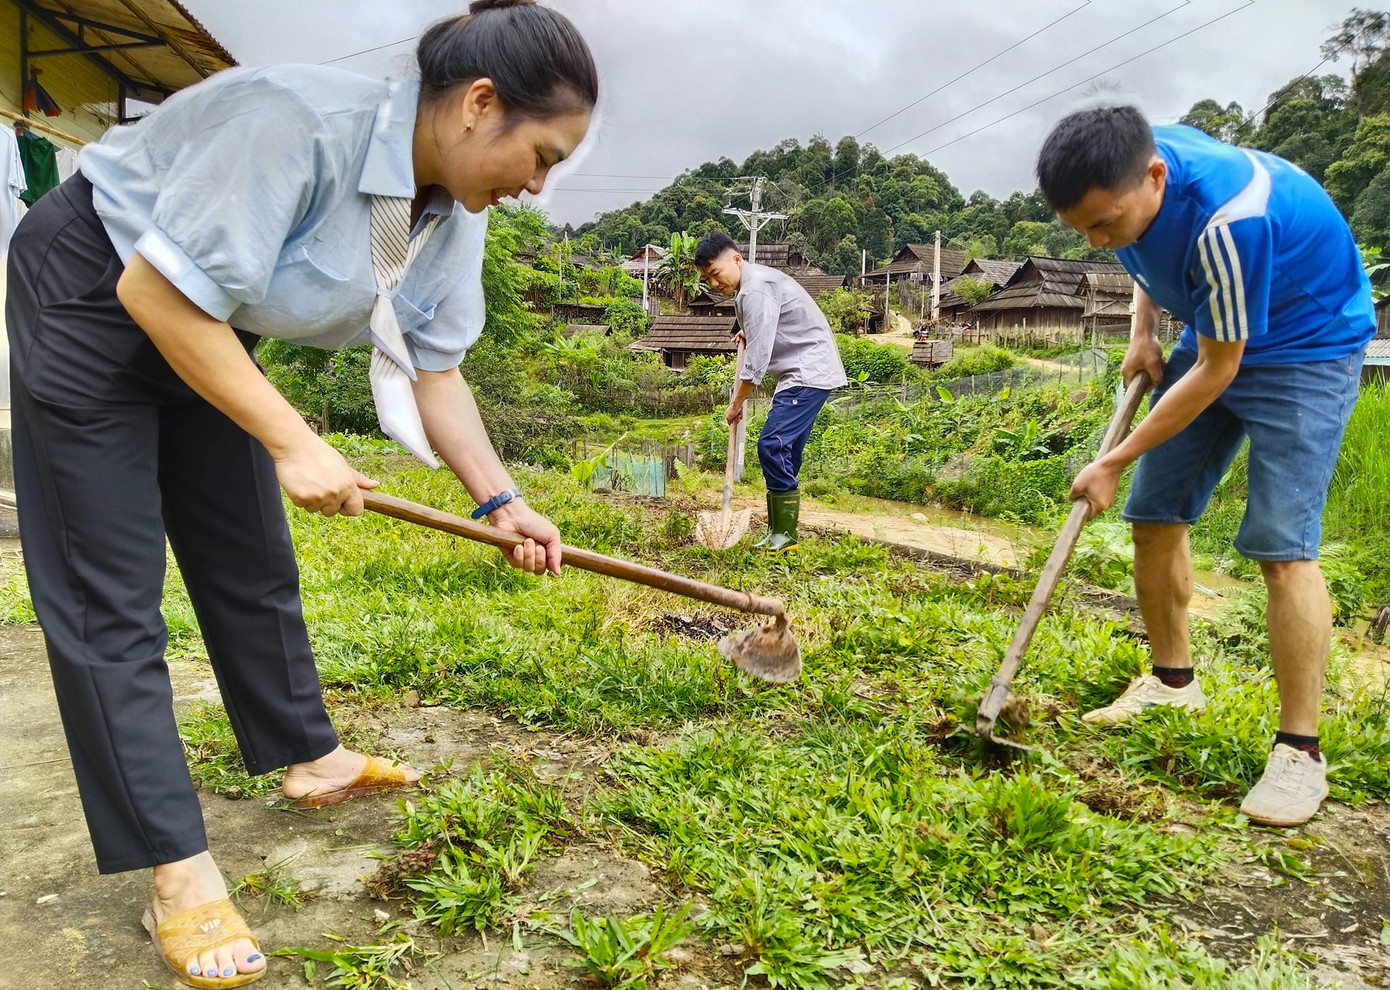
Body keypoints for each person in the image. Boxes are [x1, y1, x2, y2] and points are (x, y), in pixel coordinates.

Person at [4, 1, 595, 985]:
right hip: (91, 289)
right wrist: (293, 437)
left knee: (247, 551)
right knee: (110, 595)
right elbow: (153, 293)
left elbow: (435, 372)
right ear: (479, 105)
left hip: (210, 317)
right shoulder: (294, 121)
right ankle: (178, 872)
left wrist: (502, 501)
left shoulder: (451, 214)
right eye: (542, 156)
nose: (537, 185)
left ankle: (306, 753)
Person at [1037, 106, 1373, 828]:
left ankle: (1299, 752)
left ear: (1155, 177)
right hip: (1221, 324)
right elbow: (1144, 250)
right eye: (1081, 230)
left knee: (1283, 548)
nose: (1096, 241)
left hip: (1305, 345)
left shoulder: (1231, 220)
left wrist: (1112, 459)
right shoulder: (1136, 172)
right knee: (1154, 516)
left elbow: (1219, 370)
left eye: (1104, 223)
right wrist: (1141, 330)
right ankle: (1171, 681)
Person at [694, 232, 848, 552]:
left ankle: (784, 535)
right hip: (805, 372)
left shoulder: (755, 290)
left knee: (772, 444)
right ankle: (780, 532)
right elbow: (765, 323)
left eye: (715, 273)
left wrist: (737, 402)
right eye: (706, 278)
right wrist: (744, 332)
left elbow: (758, 359)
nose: (712, 283)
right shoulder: (752, 286)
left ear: (736, 260)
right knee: (785, 451)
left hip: (807, 372)